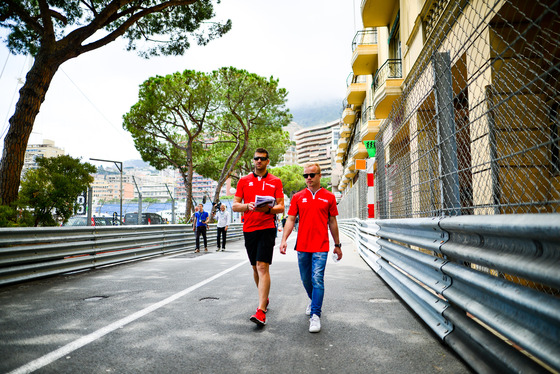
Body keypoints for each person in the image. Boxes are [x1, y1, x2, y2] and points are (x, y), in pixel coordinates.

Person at [279, 162, 342, 333]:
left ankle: (315, 315)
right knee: (306, 280)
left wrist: (337, 245)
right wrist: (284, 239)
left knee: (317, 279)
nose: (308, 178)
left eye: (311, 175)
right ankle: (313, 300)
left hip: (321, 246)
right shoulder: (298, 197)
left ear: (319, 175)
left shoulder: (329, 197)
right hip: (303, 246)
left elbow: (333, 221)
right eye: (305, 175)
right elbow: (291, 219)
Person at [233, 148, 284, 327]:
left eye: (262, 159)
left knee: (263, 267)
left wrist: (268, 210)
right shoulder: (243, 181)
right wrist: (247, 206)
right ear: (253, 161)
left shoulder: (275, 181)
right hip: (249, 229)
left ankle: (261, 310)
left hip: (267, 228)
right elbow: (234, 205)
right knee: (255, 268)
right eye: (256, 159)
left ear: (268, 161)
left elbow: (281, 207)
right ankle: (265, 299)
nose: (259, 161)